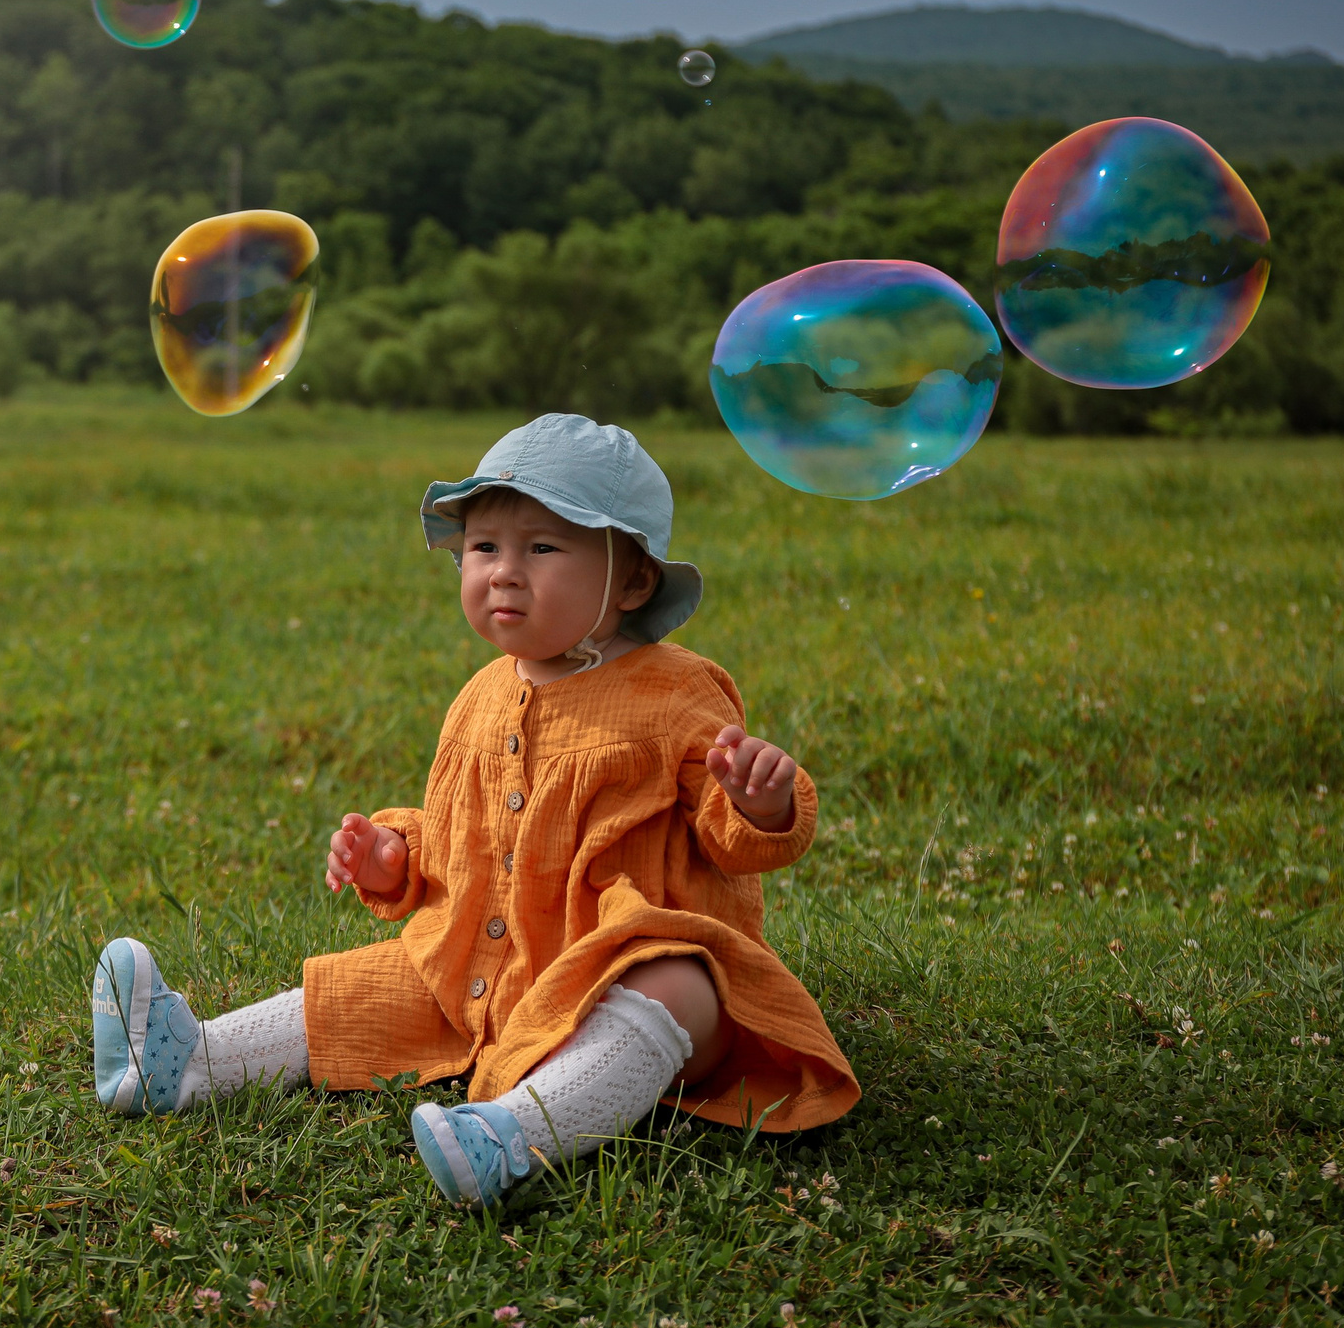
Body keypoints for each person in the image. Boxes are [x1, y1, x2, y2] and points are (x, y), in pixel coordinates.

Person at [89, 413, 858, 1205]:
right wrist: (397, 857)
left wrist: (760, 804)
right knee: (379, 983)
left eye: (543, 548)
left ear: (631, 580)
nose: (503, 572)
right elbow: (462, 839)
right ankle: (182, 1062)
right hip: (491, 977)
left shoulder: (676, 690)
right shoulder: (482, 698)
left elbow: (730, 838)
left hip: (613, 967)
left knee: (679, 980)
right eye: (484, 547)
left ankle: (517, 1139)